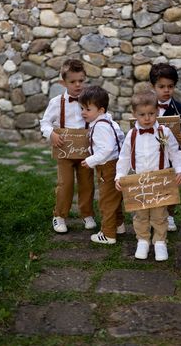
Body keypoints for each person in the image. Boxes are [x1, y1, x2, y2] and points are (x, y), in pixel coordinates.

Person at [115, 90, 181, 261]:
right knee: (140, 214)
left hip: (160, 180)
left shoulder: (164, 132)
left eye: (151, 114)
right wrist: (119, 176)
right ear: (134, 114)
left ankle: (160, 242)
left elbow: (175, 153)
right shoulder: (131, 135)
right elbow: (123, 157)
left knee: (160, 213)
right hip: (138, 181)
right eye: (142, 114)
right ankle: (143, 240)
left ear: (158, 112)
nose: (147, 118)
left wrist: (180, 170)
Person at [40, 59, 96, 233]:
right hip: (65, 149)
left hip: (85, 150)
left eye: (81, 80)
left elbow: (100, 119)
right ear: (63, 83)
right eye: (73, 82)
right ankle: (60, 215)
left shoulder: (91, 100)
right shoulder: (57, 102)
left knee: (87, 183)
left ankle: (87, 214)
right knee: (65, 184)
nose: (78, 85)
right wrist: (52, 134)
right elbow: (45, 123)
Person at [79, 85, 125, 244]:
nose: (83, 112)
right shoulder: (109, 122)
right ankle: (118, 225)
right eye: (82, 108)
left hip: (108, 167)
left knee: (106, 201)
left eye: (88, 109)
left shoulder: (100, 127)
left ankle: (108, 233)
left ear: (101, 110)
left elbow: (106, 149)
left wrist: (91, 160)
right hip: (116, 164)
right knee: (115, 198)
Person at [149, 63, 181, 232]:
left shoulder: (178, 108)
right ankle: (152, 214)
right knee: (152, 183)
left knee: (170, 186)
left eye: (170, 86)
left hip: (171, 154)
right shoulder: (147, 106)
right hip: (150, 153)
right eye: (161, 86)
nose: (166, 90)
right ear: (153, 87)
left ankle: (170, 215)